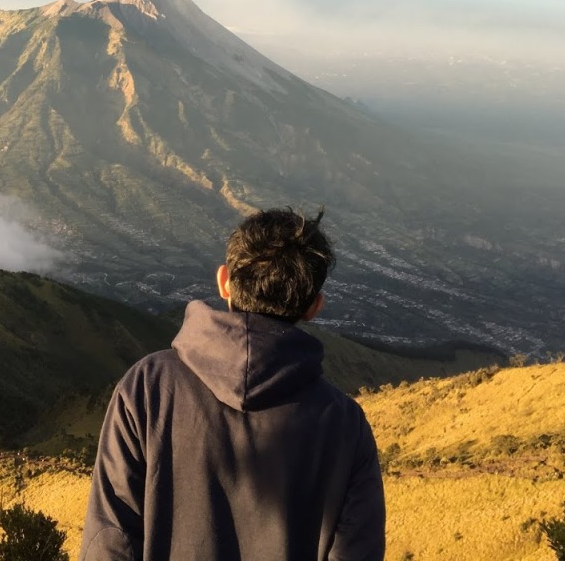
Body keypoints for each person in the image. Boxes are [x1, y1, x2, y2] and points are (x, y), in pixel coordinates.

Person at [80, 207, 385, 561]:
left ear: (224, 281)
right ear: (313, 307)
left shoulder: (148, 387)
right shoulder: (345, 425)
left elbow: (109, 542)